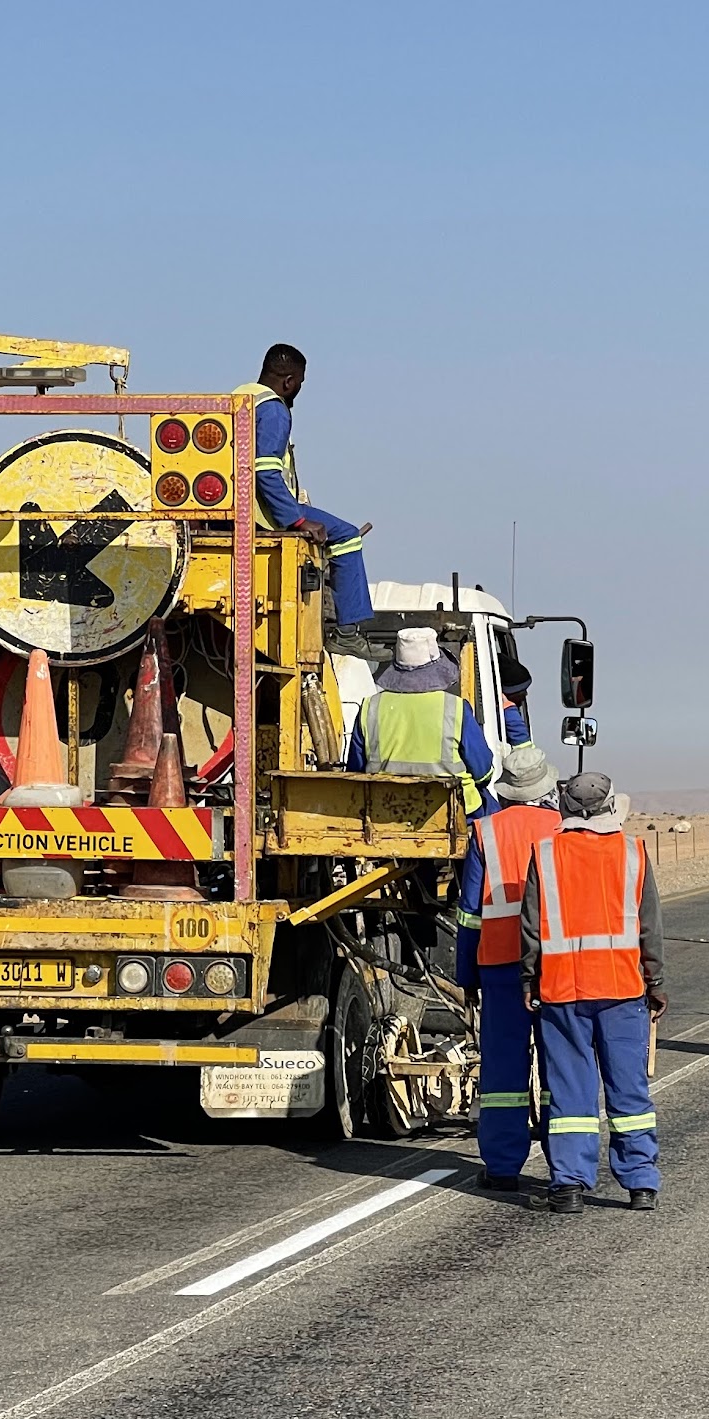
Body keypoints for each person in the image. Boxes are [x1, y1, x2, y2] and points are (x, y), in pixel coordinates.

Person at [518, 771, 665, 1214]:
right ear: (608, 810)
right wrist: (655, 982)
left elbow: (531, 927)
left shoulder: (545, 854)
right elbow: (649, 926)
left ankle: (569, 1185)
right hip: (622, 988)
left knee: (570, 1093)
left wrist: (529, 979)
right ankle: (640, 1183)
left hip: (562, 990)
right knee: (630, 1090)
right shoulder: (633, 852)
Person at [456, 744, 563, 1192]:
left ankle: (502, 1166)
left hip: (500, 963)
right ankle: (565, 1168)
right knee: (561, 1062)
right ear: (544, 789)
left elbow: (470, 916)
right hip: (557, 963)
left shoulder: (485, 833)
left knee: (502, 1067)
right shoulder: (564, 828)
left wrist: (467, 976)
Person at [236, 343, 373, 626]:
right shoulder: (274, 410)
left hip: (230, 507)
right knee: (347, 536)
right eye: (299, 382)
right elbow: (265, 472)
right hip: (261, 512)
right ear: (289, 382)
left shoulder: (239, 396)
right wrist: (297, 520)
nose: (298, 388)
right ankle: (349, 633)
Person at [349, 628, 495, 814]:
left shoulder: (371, 707)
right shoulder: (455, 708)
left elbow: (354, 772)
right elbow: (483, 772)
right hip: (454, 812)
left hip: (383, 812)